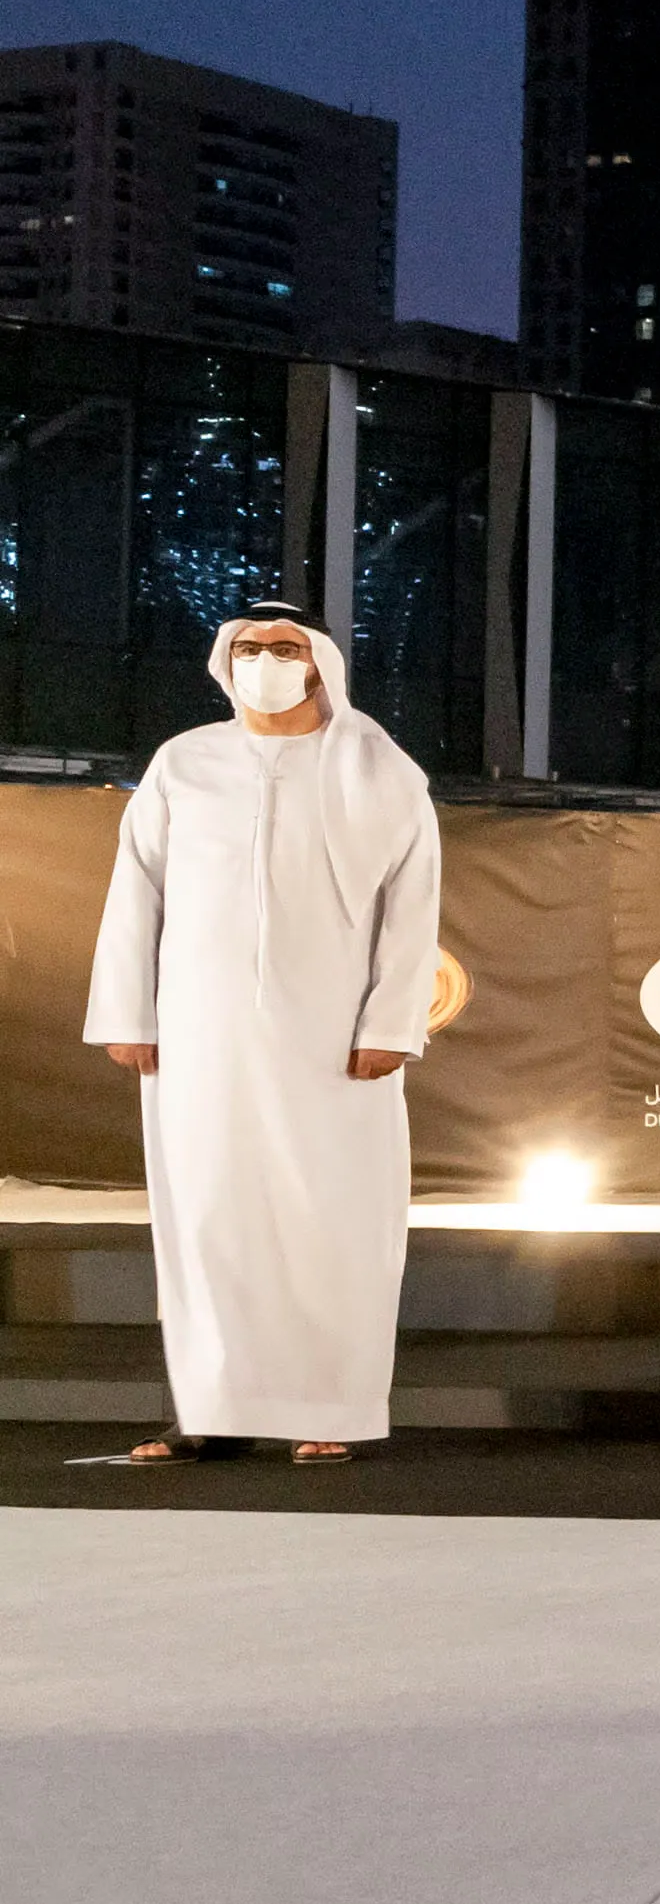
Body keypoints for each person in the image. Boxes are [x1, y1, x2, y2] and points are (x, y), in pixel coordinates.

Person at [85, 612, 441, 1466]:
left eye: (286, 650)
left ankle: (332, 1406)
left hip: (332, 1036)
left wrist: (391, 1022)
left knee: (331, 1216)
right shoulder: (185, 762)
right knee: (208, 1213)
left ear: (321, 666)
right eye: (249, 649)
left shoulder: (378, 768)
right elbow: (138, 892)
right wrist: (130, 1013)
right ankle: (211, 1408)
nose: (266, 664)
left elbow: (412, 905)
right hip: (200, 1032)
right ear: (224, 662)